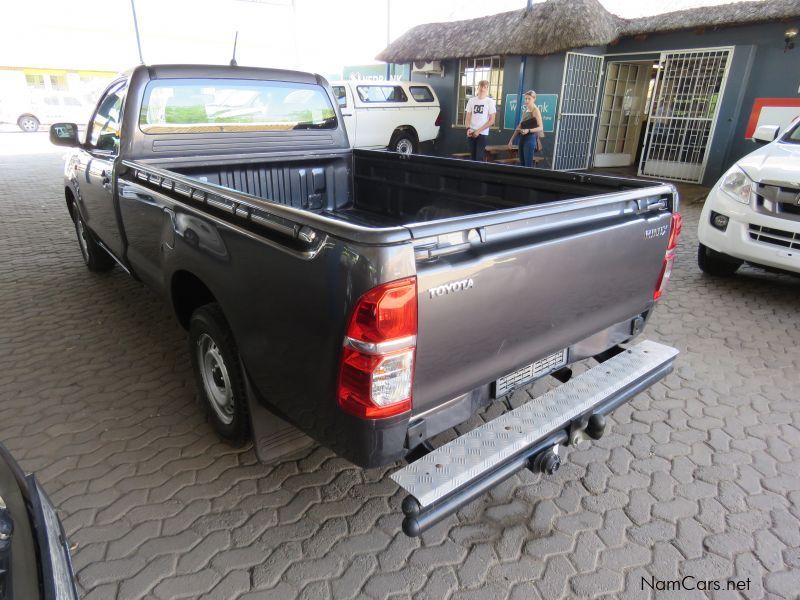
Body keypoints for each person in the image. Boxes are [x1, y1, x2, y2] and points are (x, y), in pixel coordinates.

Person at [508, 90, 544, 167]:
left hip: (530, 138)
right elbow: (520, 126)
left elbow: (540, 127)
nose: (526, 101)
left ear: (534, 99)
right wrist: (511, 139)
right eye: (526, 98)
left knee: (527, 165)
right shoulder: (525, 109)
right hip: (522, 138)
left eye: (529, 99)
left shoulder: (535, 110)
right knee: (522, 164)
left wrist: (529, 130)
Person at [465, 80, 496, 161]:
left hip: (482, 133)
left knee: (479, 157)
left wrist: (478, 131)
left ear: (487, 89)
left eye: (485, 87)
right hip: (471, 132)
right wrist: (468, 129)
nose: (482, 89)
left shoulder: (490, 101)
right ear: (477, 88)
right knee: (472, 157)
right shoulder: (471, 100)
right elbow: (467, 117)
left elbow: (492, 120)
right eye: (481, 87)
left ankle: (478, 173)